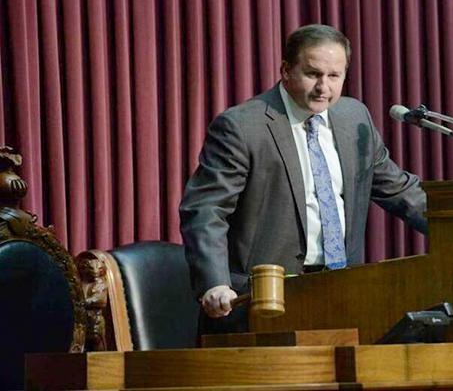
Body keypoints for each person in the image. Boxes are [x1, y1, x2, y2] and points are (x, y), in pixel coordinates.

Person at [179, 24, 428, 333]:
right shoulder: (243, 126)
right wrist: (215, 283)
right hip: (261, 303)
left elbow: (401, 191)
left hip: (343, 294)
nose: (324, 87)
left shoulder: (355, 119)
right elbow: (206, 210)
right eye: (313, 74)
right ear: (286, 70)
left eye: (334, 76)